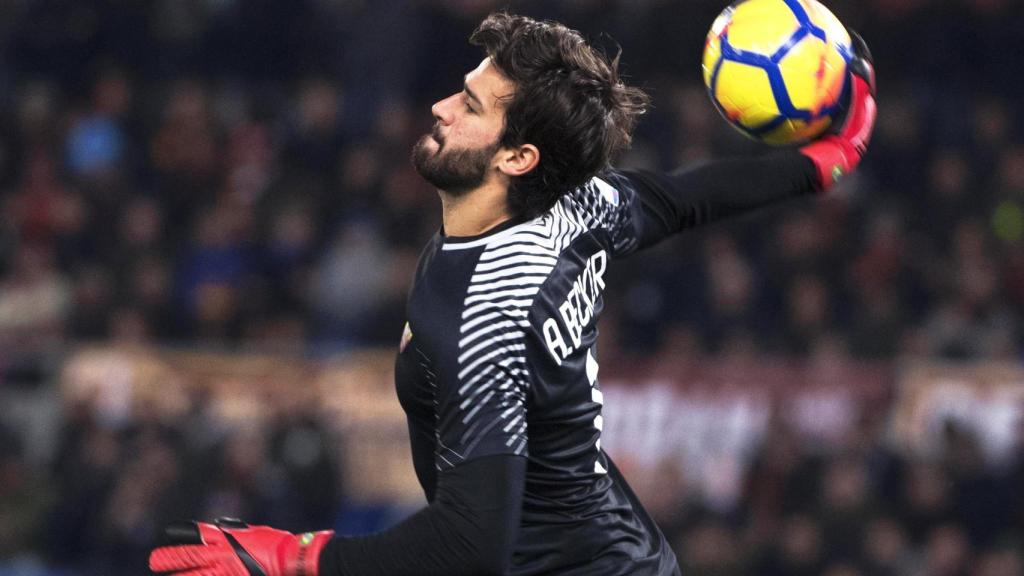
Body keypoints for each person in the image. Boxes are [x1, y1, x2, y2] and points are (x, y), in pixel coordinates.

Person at [148, 11, 876, 576]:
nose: (439, 106)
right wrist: (825, 161)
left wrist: (296, 558)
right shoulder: (572, 209)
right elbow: (679, 198)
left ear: (519, 158)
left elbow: (472, 542)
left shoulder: (489, 311)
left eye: (469, 104)